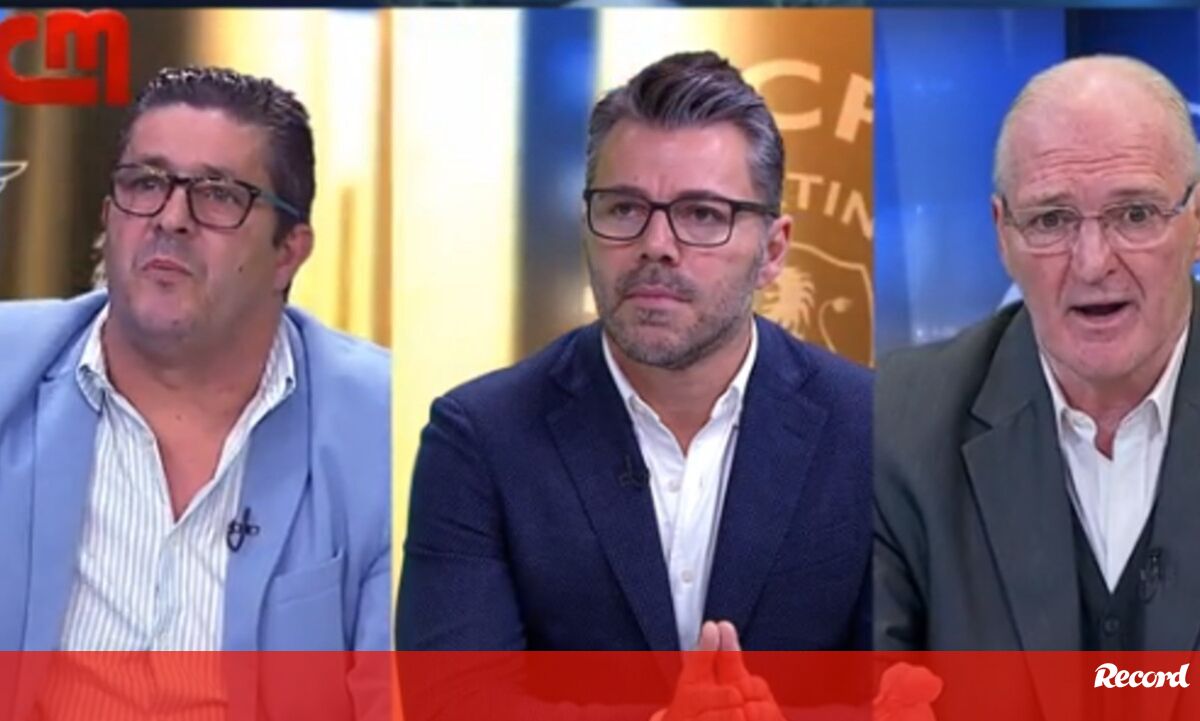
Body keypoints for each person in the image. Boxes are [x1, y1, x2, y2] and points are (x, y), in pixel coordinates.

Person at [397, 50, 871, 658]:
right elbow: (456, 697)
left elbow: (910, 687)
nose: (656, 245)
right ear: (586, 226)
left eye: (703, 215)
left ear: (773, 251)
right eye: (624, 209)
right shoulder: (480, 437)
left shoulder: (873, 429)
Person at [0, 66, 390, 717]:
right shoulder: (12, 374)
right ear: (109, 215)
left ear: (289, 252)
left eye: (218, 195)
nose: (170, 218)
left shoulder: (385, 429)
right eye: (146, 183)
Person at [875, 55, 1200, 653]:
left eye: (1135, 214)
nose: (1093, 263)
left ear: (1196, 219)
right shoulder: (896, 428)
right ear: (1003, 234)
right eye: (1051, 220)